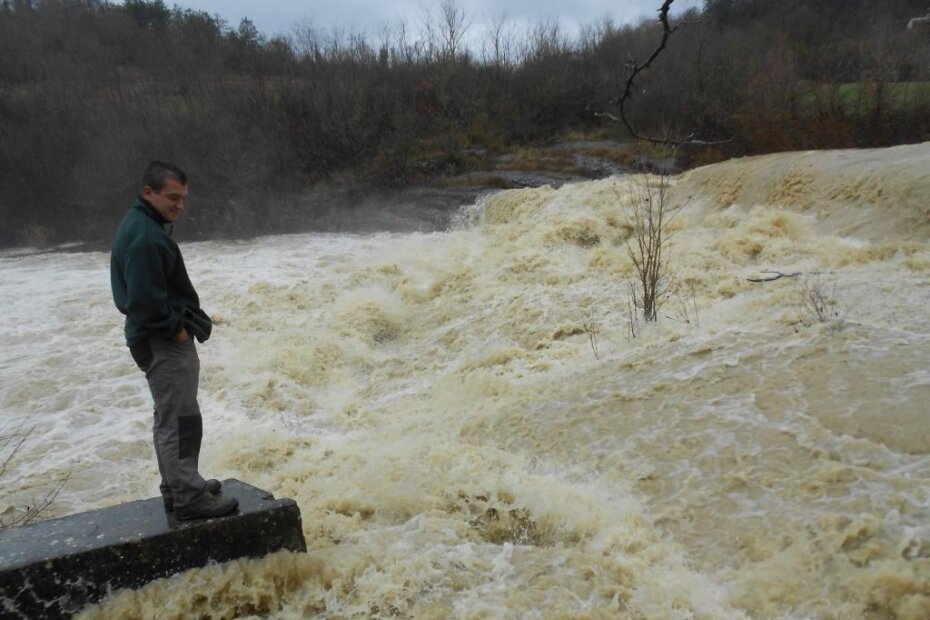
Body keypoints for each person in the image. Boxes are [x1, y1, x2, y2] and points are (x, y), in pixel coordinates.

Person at [111, 161, 238, 520]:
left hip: (152, 338)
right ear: (148, 192)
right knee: (181, 419)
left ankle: (177, 486)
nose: (179, 206)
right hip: (161, 340)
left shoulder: (142, 225)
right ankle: (188, 497)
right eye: (172, 198)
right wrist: (177, 329)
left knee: (169, 416)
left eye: (182, 198)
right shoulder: (147, 237)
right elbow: (143, 303)